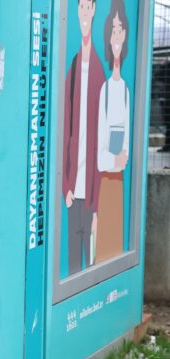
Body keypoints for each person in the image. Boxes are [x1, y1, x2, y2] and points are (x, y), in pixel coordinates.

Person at [63, 0, 105, 274]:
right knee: (72, 259)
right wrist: (66, 183)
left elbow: (102, 142)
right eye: (81, 7)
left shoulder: (99, 70)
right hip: (73, 186)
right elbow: (65, 126)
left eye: (89, 7)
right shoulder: (74, 65)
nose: (85, 14)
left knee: (88, 260)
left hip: (91, 186)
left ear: (94, 11)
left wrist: (98, 201)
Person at [95, 0, 130, 262]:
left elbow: (126, 136)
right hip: (106, 181)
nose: (116, 36)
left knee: (115, 248)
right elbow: (99, 152)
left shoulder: (126, 90)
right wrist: (113, 160)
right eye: (113, 30)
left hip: (118, 182)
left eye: (120, 30)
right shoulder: (105, 90)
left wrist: (123, 156)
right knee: (104, 247)